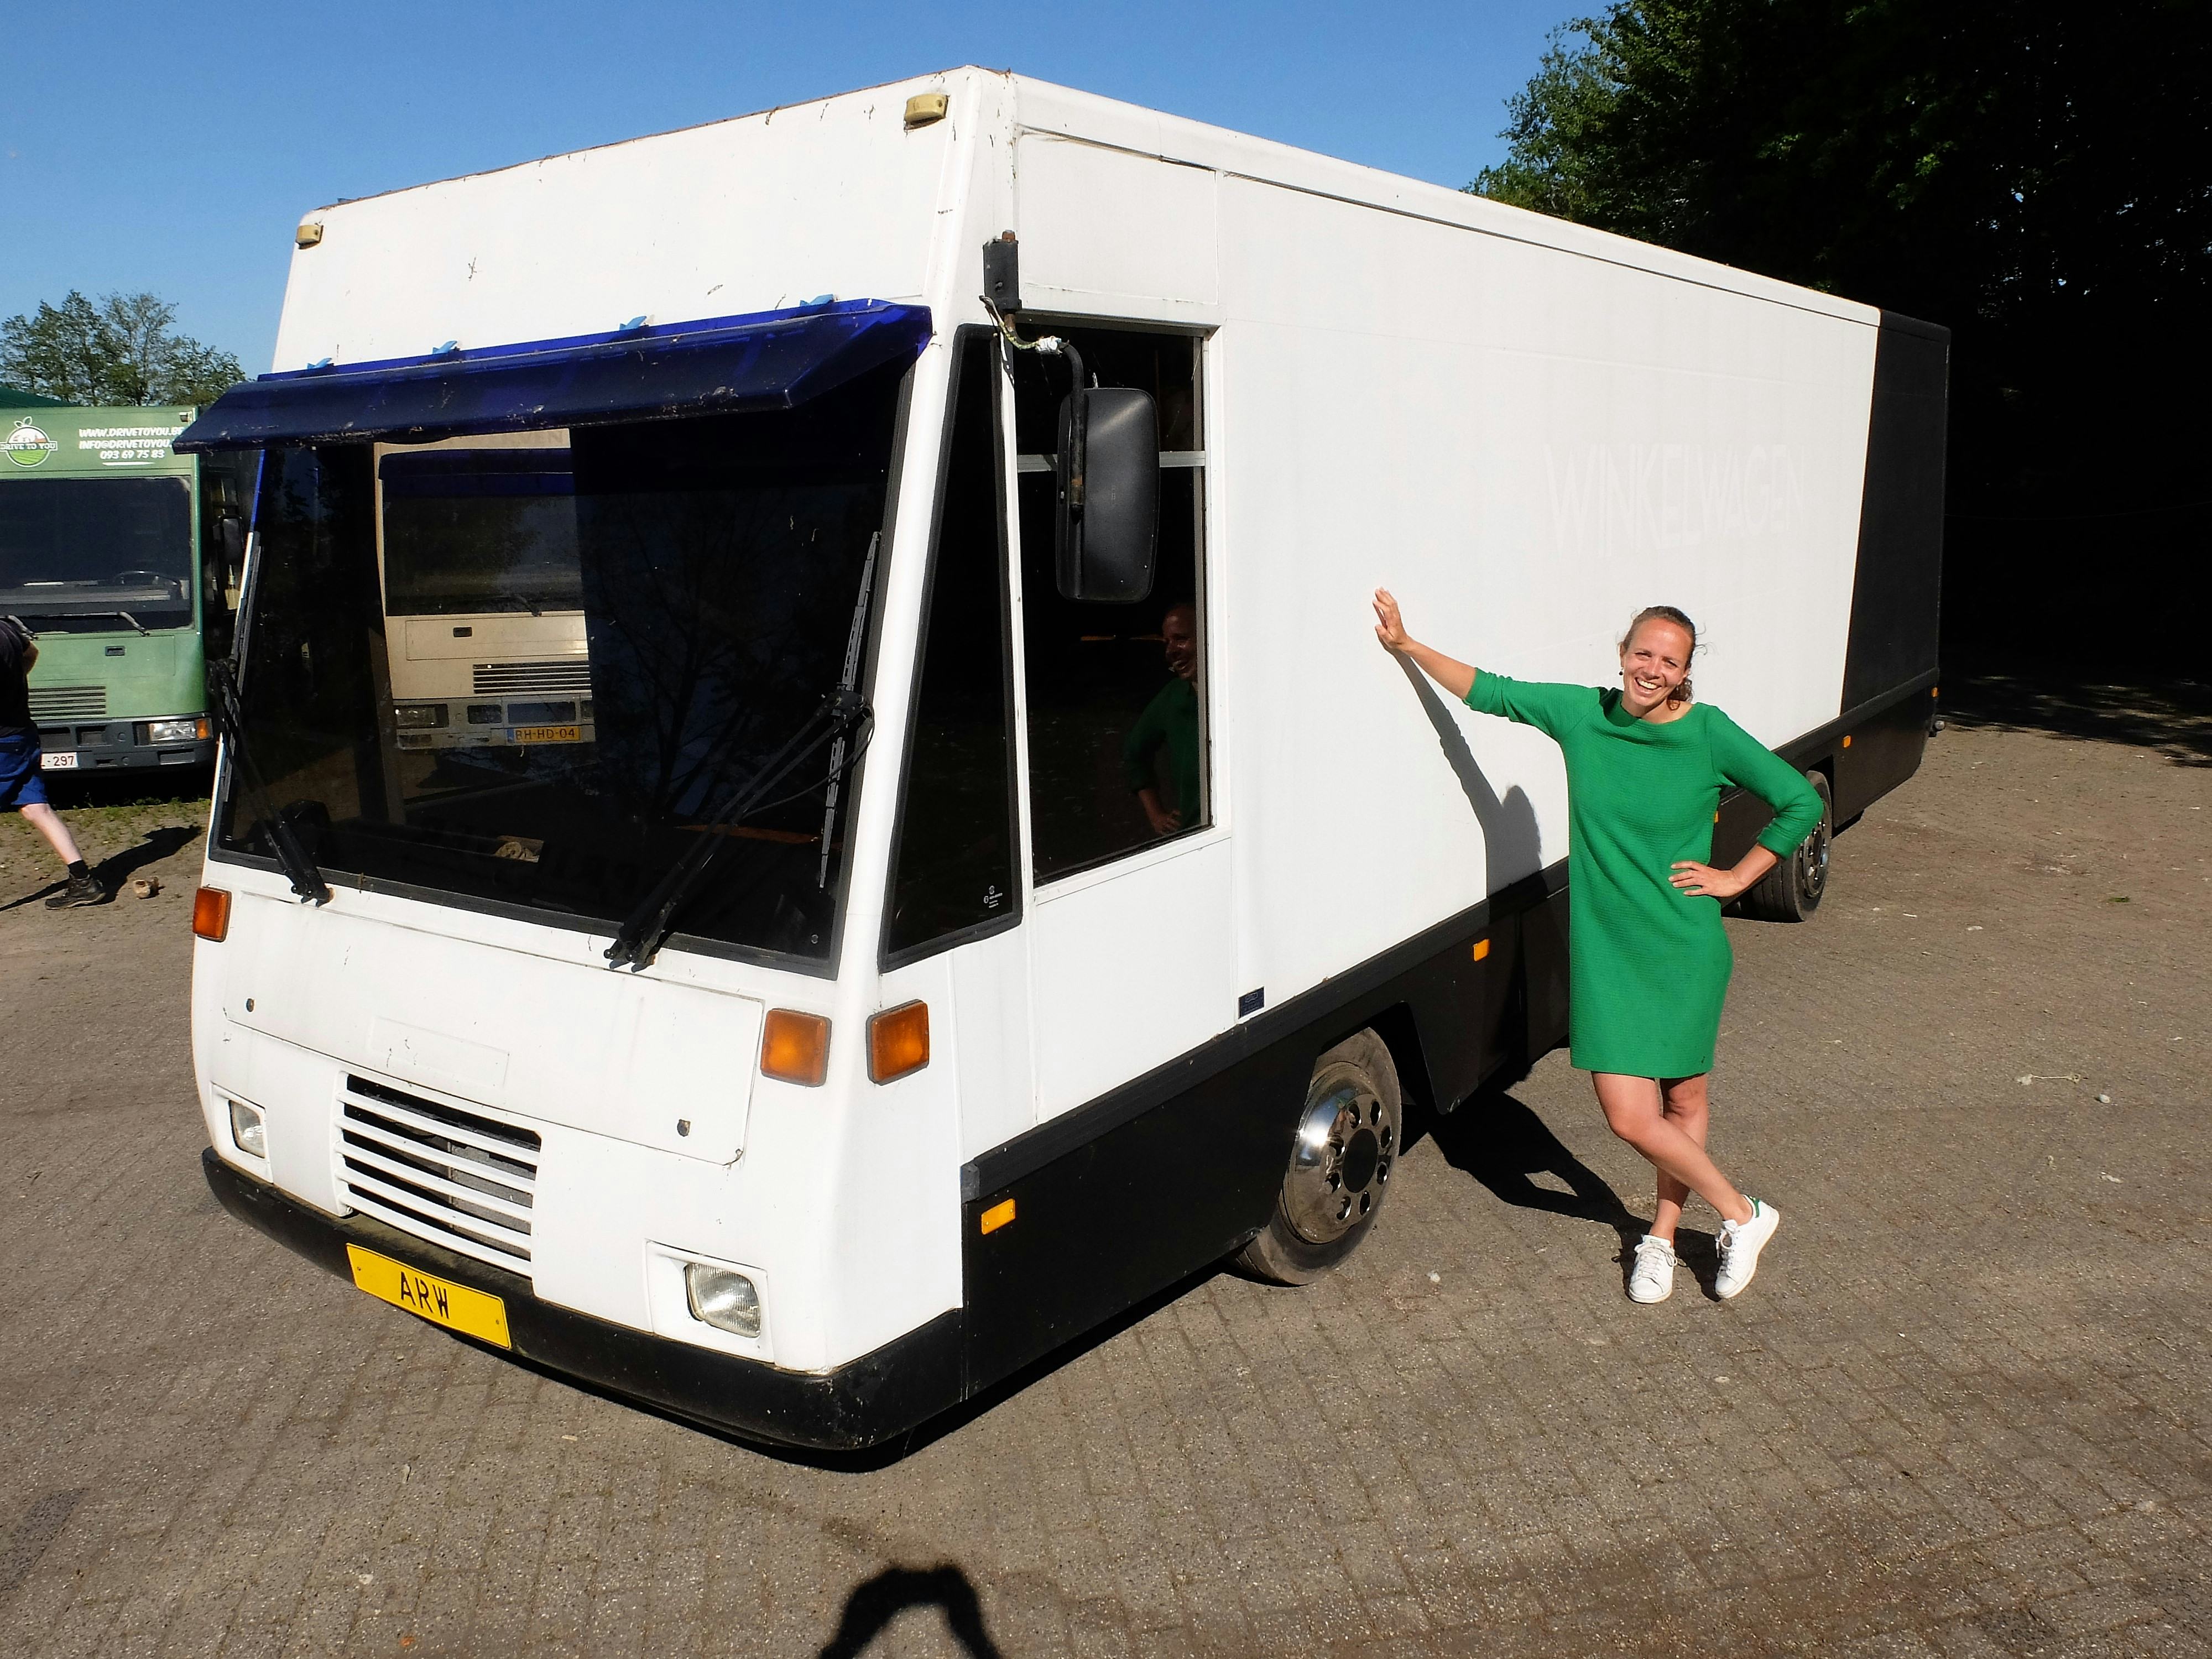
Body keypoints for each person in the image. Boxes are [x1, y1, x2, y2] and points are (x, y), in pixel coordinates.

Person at [1371, 590, 1821, 1302]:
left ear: (1684, 673)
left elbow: (1801, 800)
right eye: (1643, 653)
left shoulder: (1708, 732)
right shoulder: (1581, 714)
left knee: (1684, 1097)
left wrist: (1738, 876)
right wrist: (1408, 646)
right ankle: (1743, 1214)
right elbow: (1491, 693)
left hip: (1683, 946)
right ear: (1621, 654)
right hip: (1609, 952)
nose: (1652, 669)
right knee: (1628, 1115)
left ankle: (1661, 1239)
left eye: (1668, 662)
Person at [0, 618, 102, 907]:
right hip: (23, 735)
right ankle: (83, 882)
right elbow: (32, 653)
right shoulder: (6, 629)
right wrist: (14, 689)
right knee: (37, 809)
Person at [1123, 601, 1202, 837]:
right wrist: (1156, 815)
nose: (1171, 651)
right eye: (1167, 643)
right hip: (1194, 839)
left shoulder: (1238, 694)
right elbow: (1134, 753)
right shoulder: (1174, 697)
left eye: (1181, 639)